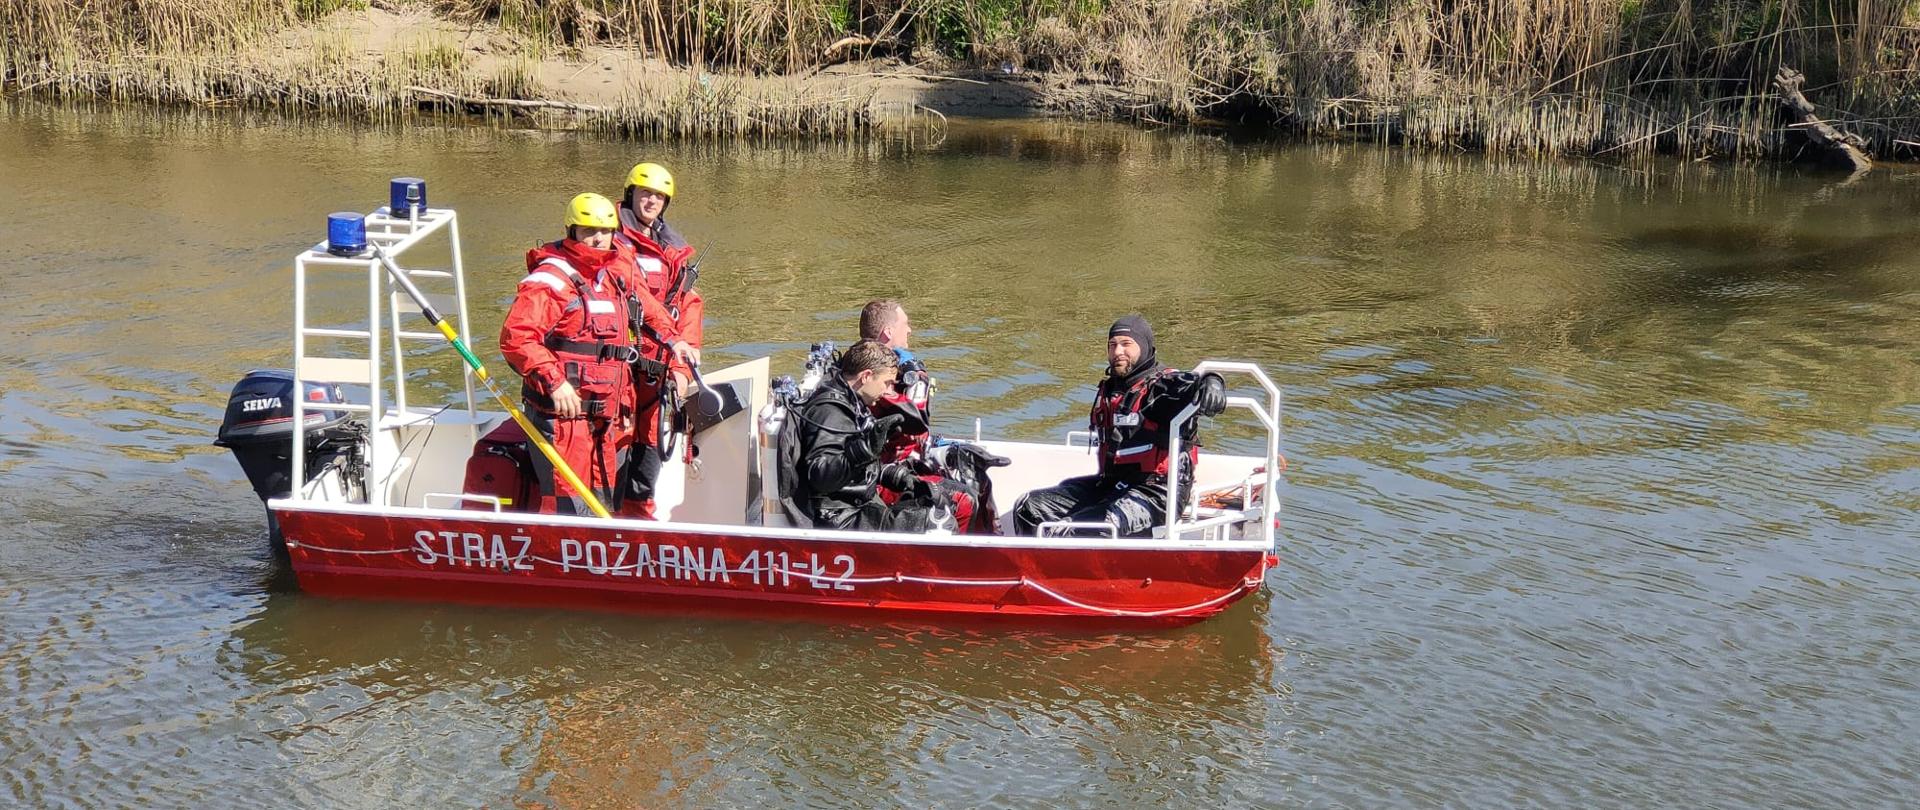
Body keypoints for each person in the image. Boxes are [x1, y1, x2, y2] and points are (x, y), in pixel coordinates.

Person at [499, 192, 695, 516]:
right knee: (569, 507)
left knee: (606, 503)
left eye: (605, 230)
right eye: (589, 230)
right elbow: (517, 338)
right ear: (572, 230)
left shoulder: (616, 271)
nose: (598, 238)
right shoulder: (550, 281)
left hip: (610, 415)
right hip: (566, 419)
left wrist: (675, 342)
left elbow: (649, 310)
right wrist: (555, 381)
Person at [1011, 315, 1228, 537]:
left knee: (1089, 528)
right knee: (1027, 508)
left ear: (1144, 347)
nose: (1117, 352)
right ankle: (1032, 559)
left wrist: (1213, 381)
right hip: (1112, 484)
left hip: (1156, 493)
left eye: (1126, 344)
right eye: (1112, 345)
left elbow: (1194, 384)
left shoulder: (1162, 387)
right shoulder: (1114, 388)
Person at [856, 299, 1003, 533]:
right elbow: (916, 422)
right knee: (965, 498)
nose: (910, 330)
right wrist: (916, 378)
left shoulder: (874, 365)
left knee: (974, 471)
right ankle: (961, 552)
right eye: (905, 324)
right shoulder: (874, 376)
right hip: (887, 475)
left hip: (909, 460)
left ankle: (993, 543)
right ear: (888, 332)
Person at [613, 162, 706, 517]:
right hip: (621, 365)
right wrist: (671, 339)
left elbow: (689, 305)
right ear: (631, 194)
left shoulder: (671, 248)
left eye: (659, 196)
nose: (652, 201)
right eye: (645, 193)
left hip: (659, 365)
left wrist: (682, 366)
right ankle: (608, 519)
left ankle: (640, 517)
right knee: (616, 444)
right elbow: (634, 293)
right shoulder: (611, 238)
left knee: (650, 445)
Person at [791, 340, 948, 532]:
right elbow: (821, 477)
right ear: (866, 376)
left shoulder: (854, 402)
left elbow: (854, 468)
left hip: (860, 503)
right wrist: (864, 448)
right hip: (840, 518)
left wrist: (895, 475)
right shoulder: (831, 412)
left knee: (941, 501)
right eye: (887, 383)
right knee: (939, 522)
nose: (888, 391)